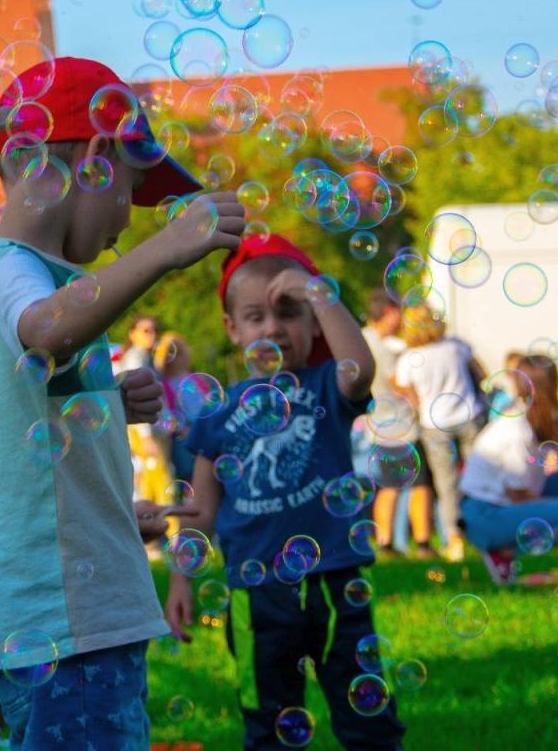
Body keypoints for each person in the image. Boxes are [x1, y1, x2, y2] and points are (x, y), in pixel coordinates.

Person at [0, 56, 244, 750]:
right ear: (97, 158)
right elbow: (48, 328)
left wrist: (106, 395)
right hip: (66, 611)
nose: (124, 224)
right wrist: (165, 249)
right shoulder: (13, 270)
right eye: (131, 194)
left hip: (58, 602)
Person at [165, 233, 404, 750]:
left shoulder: (324, 387)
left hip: (334, 581)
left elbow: (361, 368)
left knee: (368, 720)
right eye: (255, 317)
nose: (273, 326)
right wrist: (181, 580)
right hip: (257, 594)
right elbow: (201, 508)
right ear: (232, 329)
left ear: (312, 323)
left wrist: (319, 292)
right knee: (268, 722)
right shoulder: (219, 410)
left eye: (290, 312)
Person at [459, 354, 558, 584]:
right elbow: (519, 495)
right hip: (486, 516)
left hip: (501, 507)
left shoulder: (539, 419)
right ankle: (503, 551)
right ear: (554, 384)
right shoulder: (514, 428)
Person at [392, 304, 486, 563]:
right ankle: (485, 533)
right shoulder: (456, 346)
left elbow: (406, 392)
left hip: (434, 424)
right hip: (469, 416)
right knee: (479, 478)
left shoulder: (409, 358)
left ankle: (455, 541)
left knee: (447, 485)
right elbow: (482, 373)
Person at [360, 291, 433, 558]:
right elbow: (398, 383)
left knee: (389, 486)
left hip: (381, 428)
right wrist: (419, 399)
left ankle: (385, 543)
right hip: (399, 428)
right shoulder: (378, 346)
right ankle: (422, 544)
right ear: (390, 312)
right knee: (419, 485)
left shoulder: (364, 339)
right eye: (399, 313)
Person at [154, 331, 195, 485]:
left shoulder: (194, 378)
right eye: (172, 353)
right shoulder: (164, 384)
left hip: (199, 432)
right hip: (182, 438)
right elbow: (167, 417)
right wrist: (183, 430)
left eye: (180, 352)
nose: (177, 358)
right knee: (189, 477)